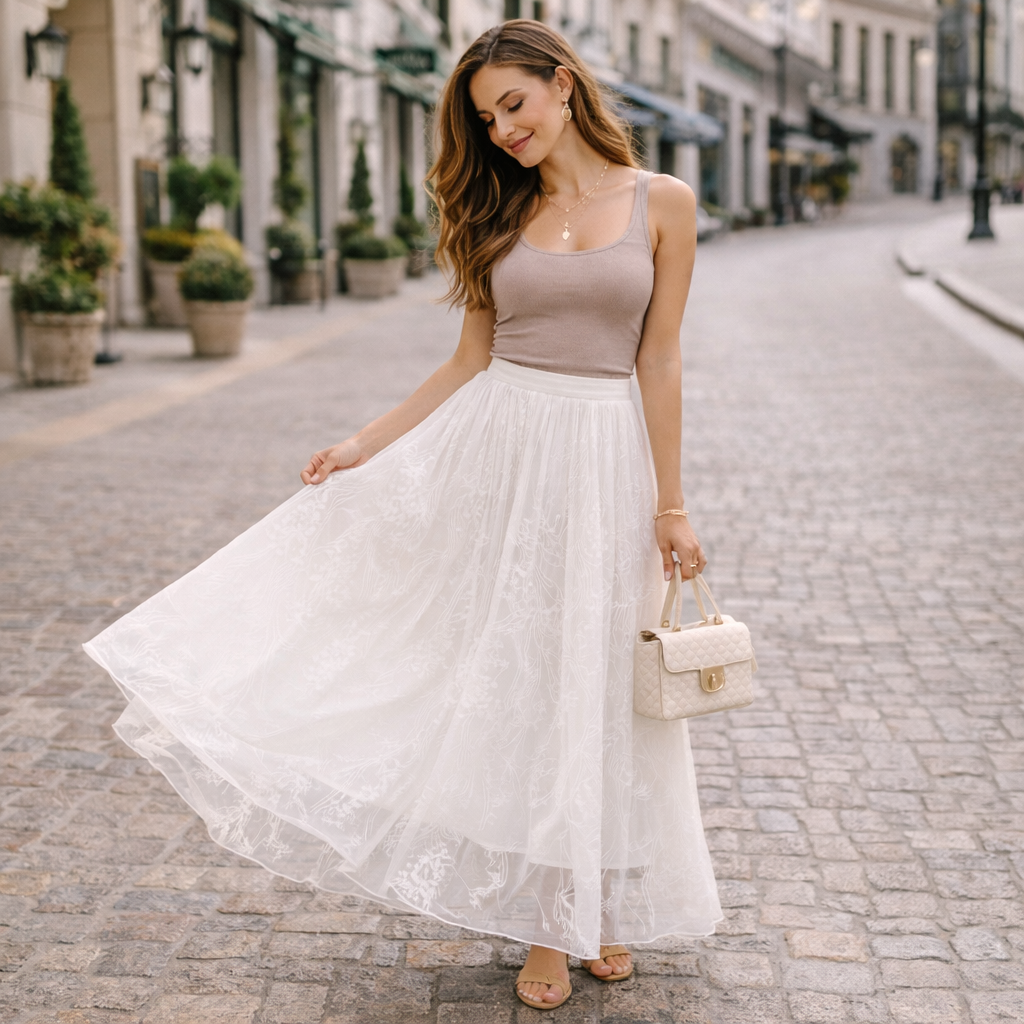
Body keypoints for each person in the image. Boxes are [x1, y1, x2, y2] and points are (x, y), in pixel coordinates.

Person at [84, 19, 722, 1013]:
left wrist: (673, 503)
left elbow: (662, 356)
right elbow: (468, 361)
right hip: (505, 460)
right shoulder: (496, 213)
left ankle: (595, 899)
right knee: (522, 680)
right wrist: (363, 442)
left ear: (562, 85)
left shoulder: (664, 204)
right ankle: (546, 922)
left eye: (511, 104)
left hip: (610, 465)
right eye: (485, 117)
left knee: (600, 685)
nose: (502, 130)